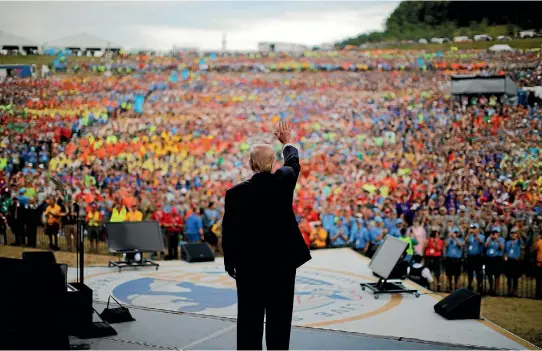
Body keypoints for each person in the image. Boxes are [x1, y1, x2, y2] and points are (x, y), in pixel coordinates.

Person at [222, 121, 311, 350]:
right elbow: (293, 162)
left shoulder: (235, 194)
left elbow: (229, 232)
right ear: (273, 164)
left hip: (249, 267)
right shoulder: (283, 181)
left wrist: (231, 264)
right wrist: (287, 142)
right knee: (279, 321)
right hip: (282, 266)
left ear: (251, 164)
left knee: (249, 321)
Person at [484, 227, 506, 295]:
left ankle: (496, 289)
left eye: (496, 232)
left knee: (497, 275)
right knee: (489, 274)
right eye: (494, 232)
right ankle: (491, 288)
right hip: (489, 258)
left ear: (499, 233)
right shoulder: (489, 238)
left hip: (497, 258)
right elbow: (485, 246)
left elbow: (502, 248)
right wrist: (490, 238)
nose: (494, 233)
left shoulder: (501, 239)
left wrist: (497, 240)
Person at [465, 223, 485, 292]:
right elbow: (466, 241)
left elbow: (481, 242)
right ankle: (470, 285)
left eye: (474, 228)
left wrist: (476, 235)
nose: (473, 229)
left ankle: (479, 286)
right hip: (470, 257)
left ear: (478, 229)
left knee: (478, 272)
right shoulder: (470, 236)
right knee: (470, 272)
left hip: (478, 257)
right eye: (472, 228)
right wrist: (468, 234)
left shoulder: (481, 236)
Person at [504, 228, 524, 297]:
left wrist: (518, 232)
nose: (513, 234)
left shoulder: (518, 241)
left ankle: (515, 292)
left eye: (514, 233)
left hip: (516, 261)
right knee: (509, 277)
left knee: (515, 277)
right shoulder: (507, 242)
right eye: (512, 233)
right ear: (510, 234)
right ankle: (509, 291)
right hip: (509, 261)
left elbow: (522, 242)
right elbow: (506, 251)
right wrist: (505, 256)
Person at [444, 227, 464, 292]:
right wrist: (448, 237)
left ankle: (456, 287)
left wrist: (455, 238)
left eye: (456, 232)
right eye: (454, 232)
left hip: (457, 259)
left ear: (458, 233)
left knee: (457, 274)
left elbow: (460, 245)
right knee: (449, 274)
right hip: (449, 258)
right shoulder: (449, 239)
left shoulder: (460, 239)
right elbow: (446, 245)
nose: (455, 234)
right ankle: (449, 286)